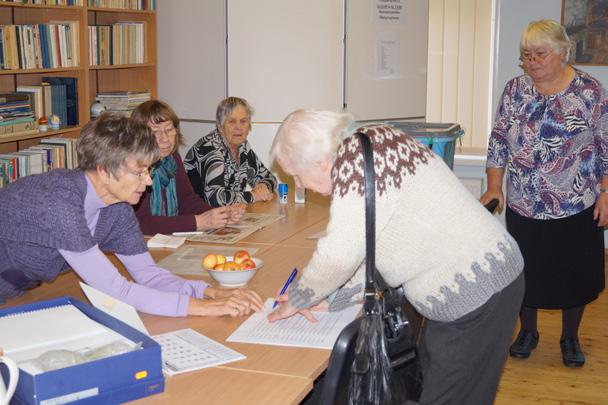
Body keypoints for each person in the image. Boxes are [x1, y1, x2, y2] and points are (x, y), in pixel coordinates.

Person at [268, 109, 525, 405]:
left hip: (478, 293)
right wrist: (332, 299)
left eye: (297, 175)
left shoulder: (353, 163)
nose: (299, 184)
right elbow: (370, 249)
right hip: (485, 281)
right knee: (434, 385)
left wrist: (298, 298)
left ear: (320, 161)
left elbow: (339, 255)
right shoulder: (372, 141)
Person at [0, 113, 263, 318]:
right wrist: (207, 308)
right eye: (139, 172)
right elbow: (116, 290)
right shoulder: (60, 202)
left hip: (15, 288)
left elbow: (149, 275)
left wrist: (208, 291)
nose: (148, 181)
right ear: (104, 171)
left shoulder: (117, 209)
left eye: (148, 170)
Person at [481, 19, 607, 368]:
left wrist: (606, 192)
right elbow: (497, 141)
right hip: (524, 202)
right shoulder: (515, 90)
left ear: (563, 52)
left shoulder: (589, 91)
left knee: (574, 274)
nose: (532, 61)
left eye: (540, 53)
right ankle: (528, 332)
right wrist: (494, 186)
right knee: (526, 272)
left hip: (576, 202)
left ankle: (570, 337)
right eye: (526, 55)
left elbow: (605, 145)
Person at [131, 100, 246, 235]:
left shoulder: (172, 157)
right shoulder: (135, 168)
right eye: (156, 132)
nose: (165, 138)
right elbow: (143, 223)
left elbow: (187, 200)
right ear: (140, 136)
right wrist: (200, 222)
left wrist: (218, 215)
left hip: (168, 239)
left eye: (169, 130)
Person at [184, 97, 277, 207]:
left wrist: (262, 186)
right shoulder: (210, 148)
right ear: (220, 127)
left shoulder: (243, 148)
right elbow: (216, 199)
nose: (239, 127)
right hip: (199, 217)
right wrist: (253, 196)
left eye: (243, 121)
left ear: (249, 126)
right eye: (232, 121)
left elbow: (270, 178)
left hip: (227, 217)